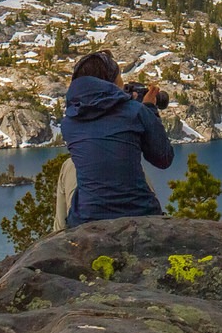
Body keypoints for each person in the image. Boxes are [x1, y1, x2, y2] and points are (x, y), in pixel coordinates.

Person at [59, 50, 173, 226]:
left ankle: (58, 238)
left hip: (86, 221)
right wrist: (149, 108)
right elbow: (163, 158)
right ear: (110, 81)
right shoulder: (134, 112)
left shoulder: (69, 123)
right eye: (119, 76)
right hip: (140, 215)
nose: (122, 82)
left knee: (69, 170)